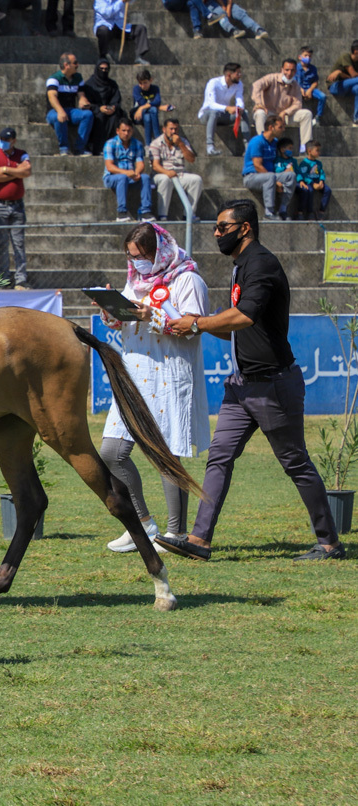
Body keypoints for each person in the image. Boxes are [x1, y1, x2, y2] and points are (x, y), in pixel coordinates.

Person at [161, 199, 345, 562]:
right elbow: (237, 330)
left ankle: (329, 543)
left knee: (295, 463)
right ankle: (199, 540)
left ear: (244, 228)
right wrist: (193, 326)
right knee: (219, 457)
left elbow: (244, 317)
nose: (216, 233)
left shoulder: (260, 263)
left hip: (272, 385)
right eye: (215, 228)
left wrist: (197, 322)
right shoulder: (241, 265)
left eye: (222, 227)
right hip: (242, 385)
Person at [98, 223, 209, 553]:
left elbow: (194, 327)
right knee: (111, 452)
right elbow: (126, 320)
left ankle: (175, 533)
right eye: (131, 257)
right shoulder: (135, 280)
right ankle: (142, 525)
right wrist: (111, 313)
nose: (136, 263)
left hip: (168, 375)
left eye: (141, 256)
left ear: (158, 250)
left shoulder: (188, 279)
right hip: (134, 372)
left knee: (165, 456)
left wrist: (152, 316)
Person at [0, 127, 31, 289]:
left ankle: (21, 278)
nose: (4, 142)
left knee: (19, 243)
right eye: (2, 139)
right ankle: (4, 278)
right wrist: (16, 172)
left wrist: (5, 169)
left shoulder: (22, 154)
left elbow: (27, 171)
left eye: (7, 140)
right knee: (2, 244)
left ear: (14, 141)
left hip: (17, 204)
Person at [251, 60, 314, 153]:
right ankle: (263, 144)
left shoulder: (296, 85)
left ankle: (305, 147)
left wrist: (285, 112)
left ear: (295, 71)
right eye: (287, 70)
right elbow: (256, 85)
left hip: (285, 116)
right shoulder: (271, 78)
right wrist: (258, 103)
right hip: (269, 113)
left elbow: (298, 104)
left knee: (307, 114)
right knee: (259, 113)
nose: (289, 73)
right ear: (282, 69)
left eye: (292, 70)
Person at [148, 118, 201, 221]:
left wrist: (181, 144)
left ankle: (189, 215)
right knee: (165, 179)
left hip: (179, 174)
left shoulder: (183, 141)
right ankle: (162, 215)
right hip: (161, 174)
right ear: (164, 129)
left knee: (196, 180)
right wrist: (167, 172)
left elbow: (191, 159)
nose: (173, 132)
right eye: (171, 129)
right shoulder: (156, 143)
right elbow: (155, 166)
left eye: (176, 129)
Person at [242, 116, 295, 220]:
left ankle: (283, 210)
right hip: (252, 177)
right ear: (271, 127)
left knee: (290, 176)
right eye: (280, 127)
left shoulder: (274, 142)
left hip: (269, 176)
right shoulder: (257, 141)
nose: (283, 129)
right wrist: (275, 181)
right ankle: (269, 213)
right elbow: (257, 165)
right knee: (270, 176)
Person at [102, 118, 153, 222]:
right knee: (122, 177)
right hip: (112, 177)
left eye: (129, 131)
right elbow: (110, 166)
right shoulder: (110, 144)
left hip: (130, 176)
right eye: (123, 130)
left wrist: (136, 173)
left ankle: (145, 211)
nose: (126, 133)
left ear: (132, 131)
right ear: (118, 131)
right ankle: (121, 212)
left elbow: (140, 163)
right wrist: (127, 173)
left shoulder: (137, 144)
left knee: (145, 178)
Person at [46, 52, 93, 157]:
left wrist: (83, 101)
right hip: (54, 111)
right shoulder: (54, 78)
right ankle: (64, 148)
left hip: (71, 110)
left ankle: (80, 148)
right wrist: (60, 110)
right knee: (60, 117)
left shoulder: (78, 77)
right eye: (75, 63)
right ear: (67, 65)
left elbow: (81, 94)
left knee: (88, 114)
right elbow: (52, 96)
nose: (78, 65)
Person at [198, 63, 250, 155]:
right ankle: (210, 147)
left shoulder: (239, 84)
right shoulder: (213, 83)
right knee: (213, 113)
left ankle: (248, 148)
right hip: (207, 115)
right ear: (229, 75)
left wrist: (239, 108)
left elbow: (239, 100)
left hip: (224, 116)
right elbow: (211, 104)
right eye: (238, 73)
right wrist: (227, 108)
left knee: (244, 112)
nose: (240, 76)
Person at [83, 59, 125, 156]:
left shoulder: (112, 84)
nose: (103, 71)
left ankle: (114, 147)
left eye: (106, 69)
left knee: (115, 118)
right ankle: (98, 148)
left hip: (110, 111)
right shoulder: (90, 85)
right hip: (96, 110)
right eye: (101, 69)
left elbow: (116, 99)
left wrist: (113, 107)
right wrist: (99, 108)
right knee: (100, 117)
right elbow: (87, 103)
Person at [93, 0, 151, 66]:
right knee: (103, 31)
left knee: (140, 28)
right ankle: (103, 57)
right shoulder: (99, 1)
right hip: (106, 25)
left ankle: (139, 57)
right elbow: (107, 13)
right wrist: (121, 1)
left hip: (121, 26)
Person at [132, 68, 172, 146]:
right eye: (140, 83)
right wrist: (159, 107)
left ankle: (148, 144)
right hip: (138, 115)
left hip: (146, 113)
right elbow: (142, 102)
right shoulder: (136, 89)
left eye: (145, 83)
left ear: (151, 80)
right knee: (153, 109)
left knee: (148, 117)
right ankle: (158, 139)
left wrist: (142, 107)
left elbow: (157, 101)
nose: (143, 86)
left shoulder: (155, 88)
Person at [294, 140, 330, 221]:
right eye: (317, 150)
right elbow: (304, 175)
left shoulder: (319, 163)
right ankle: (309, 212)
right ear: (309, 151)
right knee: (309, 190)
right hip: (309, 182)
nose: (319, 152)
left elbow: (322, 173)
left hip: (318, 182)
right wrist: (312, 183)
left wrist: (321, 181)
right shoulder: (304, 163)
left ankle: (321, 211)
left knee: (328, 190)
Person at [326, 40, 358, 127]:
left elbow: (353, 78)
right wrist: (339, 73)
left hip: (348, 87)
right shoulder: (346, 56)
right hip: (335, 86)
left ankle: (356, 119)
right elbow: (353, 75)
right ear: (356, 51)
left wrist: (340, 73)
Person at [202, 0, 267, 40]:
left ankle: (258, 29)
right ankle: (232, 30)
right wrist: (223, 7)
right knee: (220, 15)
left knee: (240, 13)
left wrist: (228, 8)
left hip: (226, 2)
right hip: (211, 3)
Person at [296, 47, 327, 122]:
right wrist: (300, 89)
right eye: (305, 55)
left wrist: (310, 90)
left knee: (323, 96)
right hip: (297, 88)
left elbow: (315, 82)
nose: (308, 58)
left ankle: (318, 117)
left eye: (309, 56)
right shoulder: (295, 67)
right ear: (300, 57)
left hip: (310, 88)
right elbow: (293, 81)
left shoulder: (313, 68)